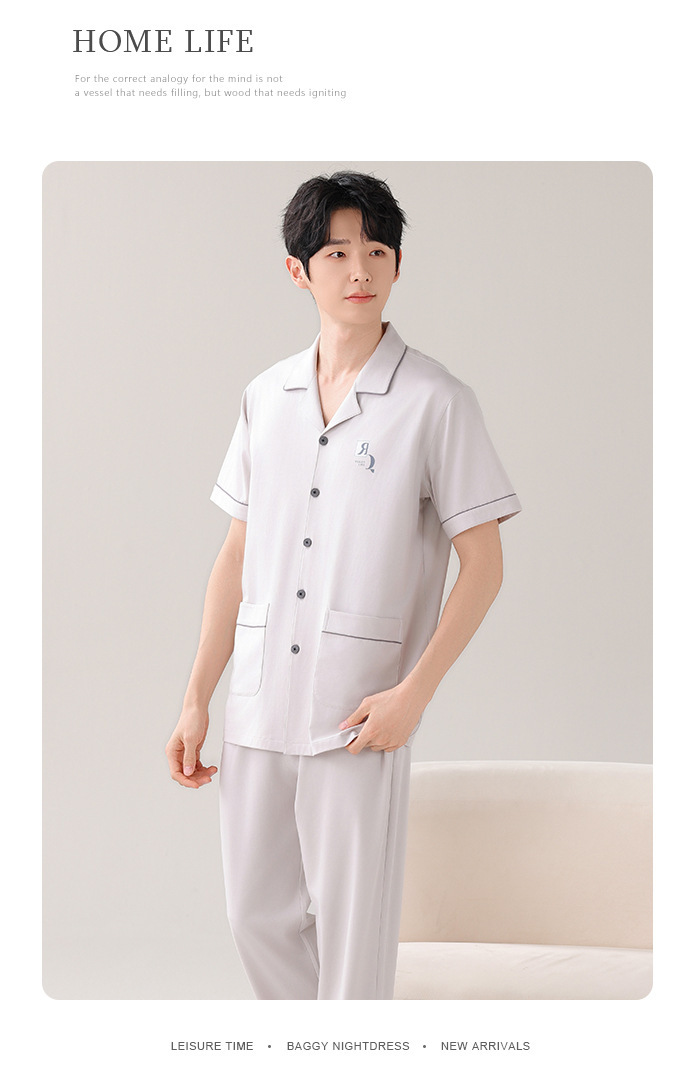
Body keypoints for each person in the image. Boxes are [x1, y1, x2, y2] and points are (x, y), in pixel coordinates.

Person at [165, 171, 521, 1000]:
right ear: (299, 271)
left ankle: (348, 1051)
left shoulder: (436, 401)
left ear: (397, 264)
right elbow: (235, 555)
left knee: (356, 936)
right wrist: (196, 697)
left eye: (376, 251)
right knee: (255, 916)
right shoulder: (265, 397)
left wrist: (412, 695)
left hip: (361, 713)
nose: (359, 269)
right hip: (257, 707)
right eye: (335, 252)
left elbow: (485, 564)